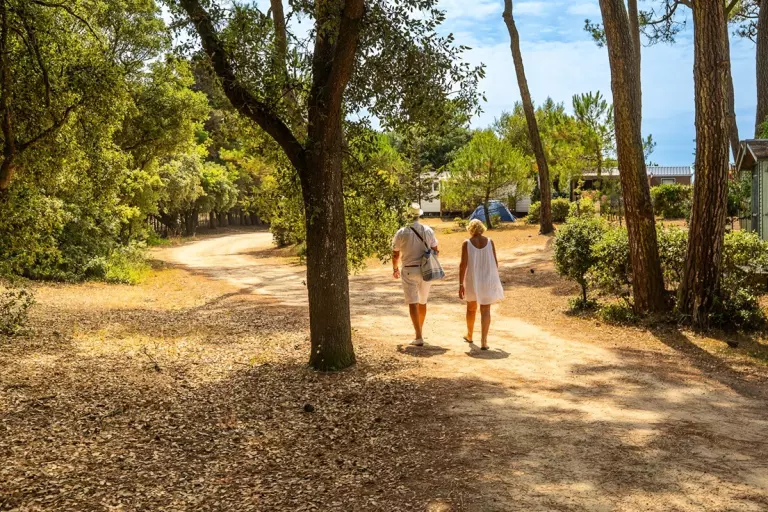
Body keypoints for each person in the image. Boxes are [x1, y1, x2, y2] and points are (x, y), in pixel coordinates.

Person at [392, 203, 439, 346]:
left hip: (408, 269)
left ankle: (418, 335)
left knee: (412, 302)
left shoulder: (401, 232)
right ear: (419, 215)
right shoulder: (428, 230)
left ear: (408, 215)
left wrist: (395, 268)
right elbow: (435, 249)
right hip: (425, 270)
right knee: (422, 301)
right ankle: (420, 332)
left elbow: (395, 254)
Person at [458, 219, 504, 350]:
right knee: (486, 310)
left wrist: (461, 284)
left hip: (472, 280)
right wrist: (494, 279)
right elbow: (495, 263)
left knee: (471, 309)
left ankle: (470, 335)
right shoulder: (490, 242)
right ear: (482, 228)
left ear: (470, 229)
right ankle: (484, 341)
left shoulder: (467, 243)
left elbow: (463, 265)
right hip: (487, 279)